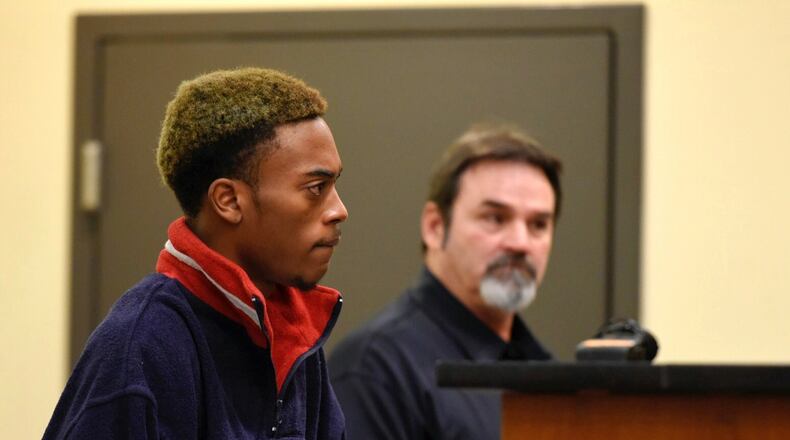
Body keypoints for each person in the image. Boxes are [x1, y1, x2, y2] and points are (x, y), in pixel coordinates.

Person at [44, 67, 349, 439]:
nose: (339, 210)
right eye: (316, 188)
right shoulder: (141, 346)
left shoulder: (293, 333)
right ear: (229, 200)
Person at [329, 123, 562, 440]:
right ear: (435, 227)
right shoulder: (374, 370)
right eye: (495, 218)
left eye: (538, 224)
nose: (521, 243)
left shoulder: (547, 373)